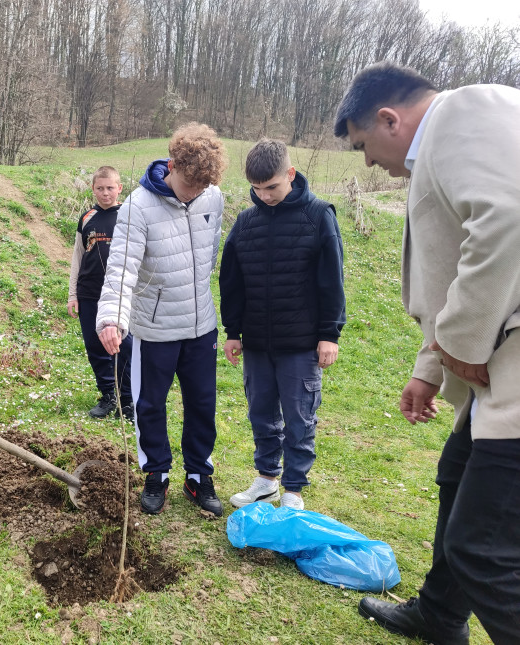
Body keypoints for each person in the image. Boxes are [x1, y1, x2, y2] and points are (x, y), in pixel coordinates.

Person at [335, 61, 520, 645]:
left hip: (511, 366)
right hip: (496, 364)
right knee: (454, 475)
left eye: (364, 144)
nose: (366, 162)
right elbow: (452, 265)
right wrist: (431, 368)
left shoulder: (465, 113)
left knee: (482, 550)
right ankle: (439, 615)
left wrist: (462, 345)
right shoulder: (448, 139)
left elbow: (505, 220)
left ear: (390, 119)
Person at [96, 122, 227, 517]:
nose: (197, 192)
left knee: (202, 403)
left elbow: (208, 256)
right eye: (191, 185)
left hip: (200, 326)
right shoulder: (138, 207)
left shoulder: (213, 197)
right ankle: (157, 473)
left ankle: (198, 475)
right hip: (154, 329)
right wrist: (111, 319)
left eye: (204, 187)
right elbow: (121, 267)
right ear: (172, 167)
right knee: (150, 404)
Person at [219, 139, 345, 511]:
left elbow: (331, 280)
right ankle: (265, 480)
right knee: (260, 412)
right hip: (257, 342)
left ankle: (293, 490)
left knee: (299, 416)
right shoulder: (245, 222)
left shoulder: (319, 215)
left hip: (302, 344)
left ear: (290, 174)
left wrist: (329, 334)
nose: (265, 195)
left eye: (271, 187)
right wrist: (232, 332)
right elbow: (232, 281)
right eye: (257, 189)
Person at [67, 166, 133, 420]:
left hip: (120, 295)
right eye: (99, 188)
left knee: (124, 346)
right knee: (95, 347)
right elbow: (77, 258)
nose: (105, 193)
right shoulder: (87, 219)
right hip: (89, 293)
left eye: (110, 188)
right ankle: (108, 395)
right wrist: (73, 295)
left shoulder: (130, 216)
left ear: (119, 189)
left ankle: (127, 400)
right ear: (93, 189)